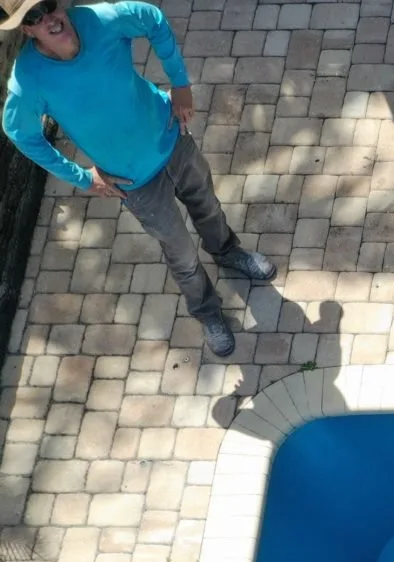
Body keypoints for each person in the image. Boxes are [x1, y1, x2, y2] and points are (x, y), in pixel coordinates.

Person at [0, 0, 275, 357]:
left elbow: (153, 18)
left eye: (48, 6)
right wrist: (82, 177)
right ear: (27, 30)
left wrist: (180, 83)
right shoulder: (28, 81)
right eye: (35, 17)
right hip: (132, 182)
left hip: (171, 136)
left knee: (207, 205)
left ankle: (227, 251)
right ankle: (207, 311)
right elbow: (21, 134)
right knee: (179, 251)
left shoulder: (100, 20)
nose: (49, 19)